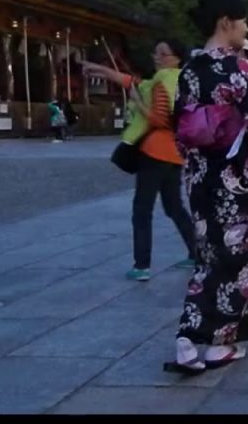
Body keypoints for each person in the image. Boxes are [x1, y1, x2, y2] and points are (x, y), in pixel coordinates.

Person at [167, 0, 248, 374]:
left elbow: (181, 129)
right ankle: (220, 343)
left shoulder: (190, 71)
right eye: (243, 21)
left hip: (201, 177)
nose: (247, 28)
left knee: (209, 255)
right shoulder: (241, 70)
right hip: (238, 180)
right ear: (226, 22)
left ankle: (188, 336)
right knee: (238, 259)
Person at [82, 39, 197, 282]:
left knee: (142, 210)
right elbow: (133, 81)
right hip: (175, 154)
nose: (157, 58)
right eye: (155, 53)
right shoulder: (183, 81)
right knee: (174, 206)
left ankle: (142, 265)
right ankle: (197, 252)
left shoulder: (162, 81)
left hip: (154, 152)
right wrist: (103, 71)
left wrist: (137, 101)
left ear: (176, 58)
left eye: (163, 54)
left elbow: (158, 119)